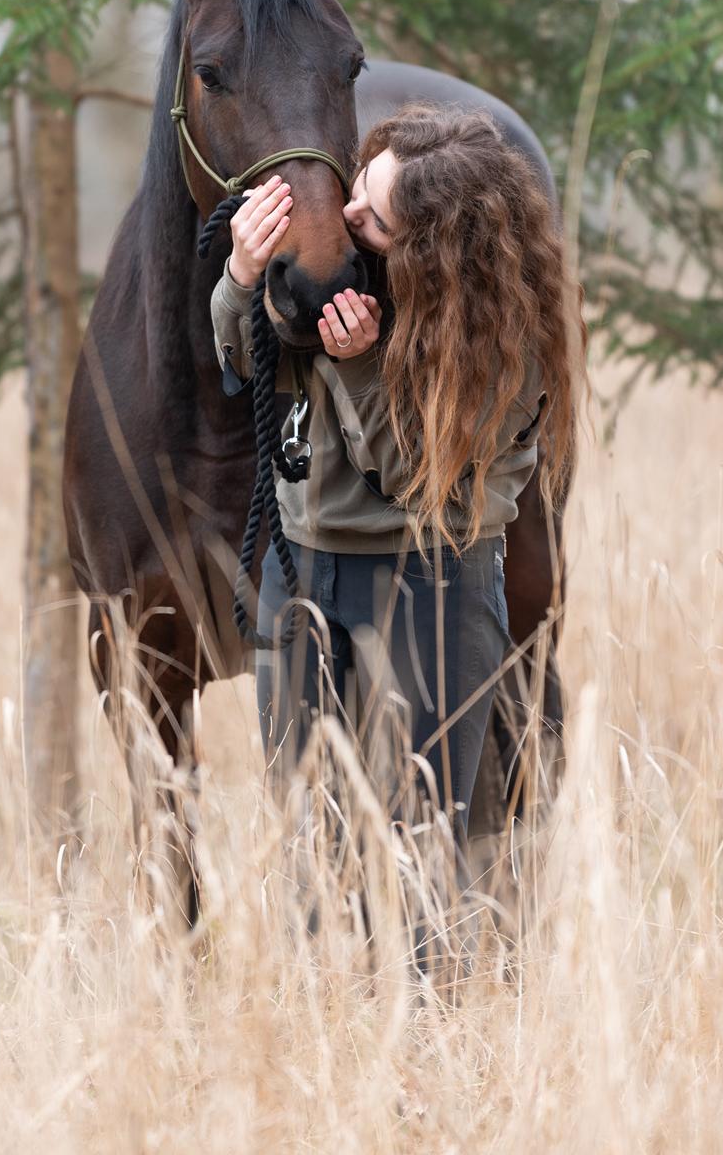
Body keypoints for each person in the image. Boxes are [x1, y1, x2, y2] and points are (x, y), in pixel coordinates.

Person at [209, 104, 575, 851]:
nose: (344, 221)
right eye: (357, 189)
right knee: (311, 844)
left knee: (420, 849)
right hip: (301, 574)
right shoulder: (346, 282)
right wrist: (243, 276)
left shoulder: (504, 343)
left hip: (430, 585)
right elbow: (243, 366)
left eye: (370, 218)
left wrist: (362, 365)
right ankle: (327, 977)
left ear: (433, 251)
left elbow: (415, 481)